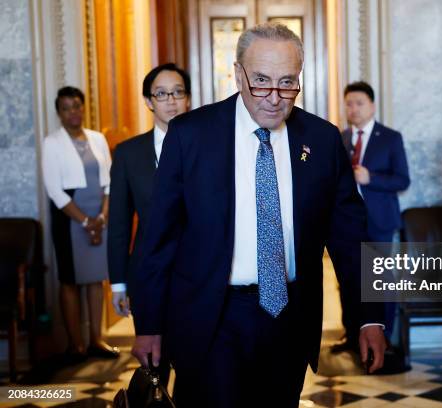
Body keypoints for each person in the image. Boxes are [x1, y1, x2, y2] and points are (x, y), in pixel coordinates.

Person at [130, 23, 386, 407]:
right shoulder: (190, 135)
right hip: (210, 317)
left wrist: (369, 317)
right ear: (238, 73)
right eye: (261, 81)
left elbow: (352, 239)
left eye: (287, 83)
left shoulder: (322, 139)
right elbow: (159, 237)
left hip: (289, 317)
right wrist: (148, 324)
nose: (274, 98)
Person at [331, 81, 409, 355]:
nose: (353, 109)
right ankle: (352, 335)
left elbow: (402, 179)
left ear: (372, 105)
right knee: (348, 280)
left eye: (359, 103)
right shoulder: (338, 138)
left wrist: (370, 178)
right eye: (349, 104)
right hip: (347, 224)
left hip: (379, 221)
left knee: (379, 282)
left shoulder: (390, 137)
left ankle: (383, 339)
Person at [108, 63, 191, 317]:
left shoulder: (209, 148)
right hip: (148, 271)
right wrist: (119, 283)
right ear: (148, 101)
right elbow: (119, 224)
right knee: (152, 354)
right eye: (161, 93)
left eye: (178, 92)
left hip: (198, 272)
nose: (171, 101)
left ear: (187, 99)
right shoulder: (128, 153)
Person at [42, 86, 118, 361]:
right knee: (71, 280)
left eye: (77, 105)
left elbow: (109, 182)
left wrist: (101, 217)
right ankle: (75, 345)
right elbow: (54, 190)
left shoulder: (97, 139)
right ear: (59, 113)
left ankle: (96, 340)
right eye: (66, 107)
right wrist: (86, 221)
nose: (73, 111)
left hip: (99, 214)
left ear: (83, 107)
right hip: (69, 217)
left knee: (96, 279)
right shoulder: (52, 143)